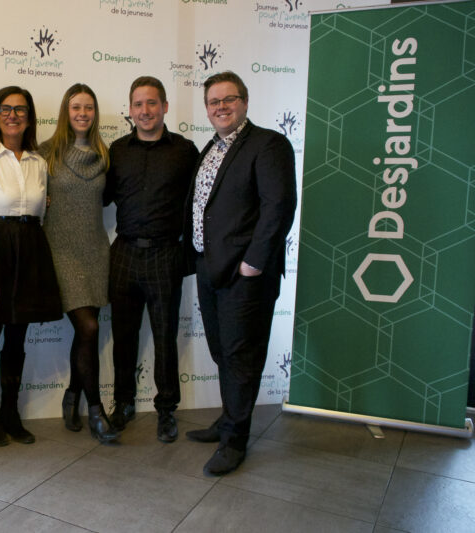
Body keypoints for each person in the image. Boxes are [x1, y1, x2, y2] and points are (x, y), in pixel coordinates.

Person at [184, 71, 296, 475]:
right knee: (221, 351)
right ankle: (228, 419)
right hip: (210, 268)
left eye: (228, 99)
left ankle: (235, 441)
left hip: (246, 275)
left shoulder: (268, 144)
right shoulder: (211, 148)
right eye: (213, 102)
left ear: (245, 102)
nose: (221, 107)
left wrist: (255, 261)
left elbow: (278, 206)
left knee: (241, 356)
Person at [0, 86, 62, 446]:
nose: (13, 115)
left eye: (20, 109)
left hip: (30, 249)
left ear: (29, 117)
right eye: (5, 109)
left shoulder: (40, 162)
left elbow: (41, 209)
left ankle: (11, 411)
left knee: (17, 336)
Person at [104, 76, 199, 443]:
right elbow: (101, 199)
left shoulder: (185, 151)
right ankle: (123, 404)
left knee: (164, 337)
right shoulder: (117, 149)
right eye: (138, 104)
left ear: (165, 107)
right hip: (124, 253)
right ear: (130, 110)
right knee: (123, 337)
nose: (145, 111)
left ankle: (166, 410)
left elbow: (199, 205)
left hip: (165, 254)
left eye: (152, 103)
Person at [40, 83, 118, 443]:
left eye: (89, 107)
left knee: (87, 330)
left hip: (95, 251)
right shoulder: (47, 153)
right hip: (61, 251)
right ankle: (96, 410)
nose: (83, 113)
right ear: (65, 112)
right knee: (88, 328)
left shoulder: (105, 154)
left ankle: (72, 393)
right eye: (76, 107)